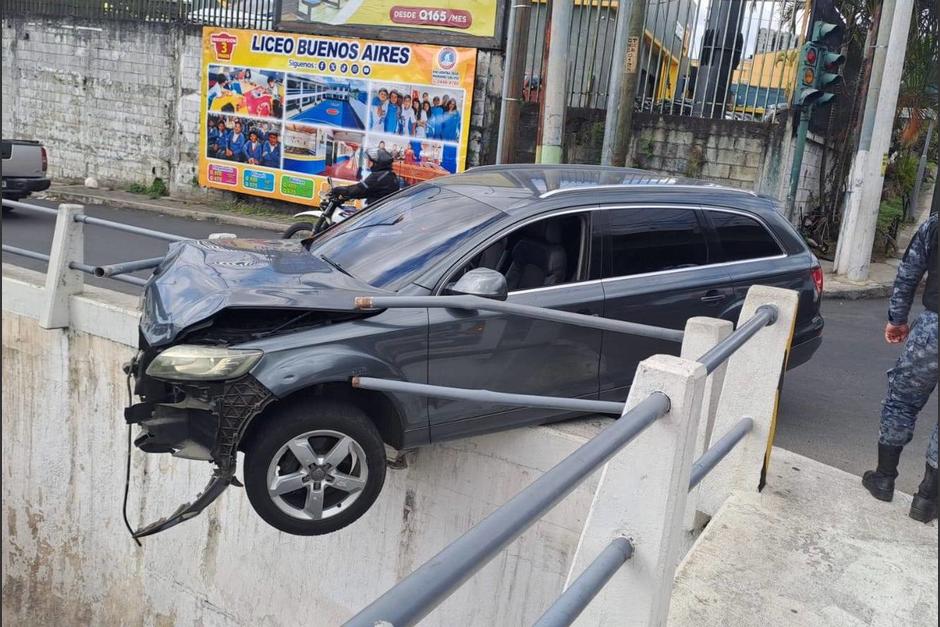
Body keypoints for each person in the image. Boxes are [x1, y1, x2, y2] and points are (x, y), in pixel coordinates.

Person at [862, 212, 938, 523]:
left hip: (932, 330)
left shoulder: (934, 225)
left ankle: (884, 478)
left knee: (902, 402)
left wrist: (897, 319)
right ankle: (927, 499)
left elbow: (908, 274)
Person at [330, 148, 399, 207]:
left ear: (377, 163)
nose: (369, 165)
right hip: (381, 210)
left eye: (370, 162)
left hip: (376, 213)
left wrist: (340, 190)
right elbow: (367, 191)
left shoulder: (378, 176)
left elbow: (360, 189)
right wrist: (348, 195)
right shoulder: (389, 175)